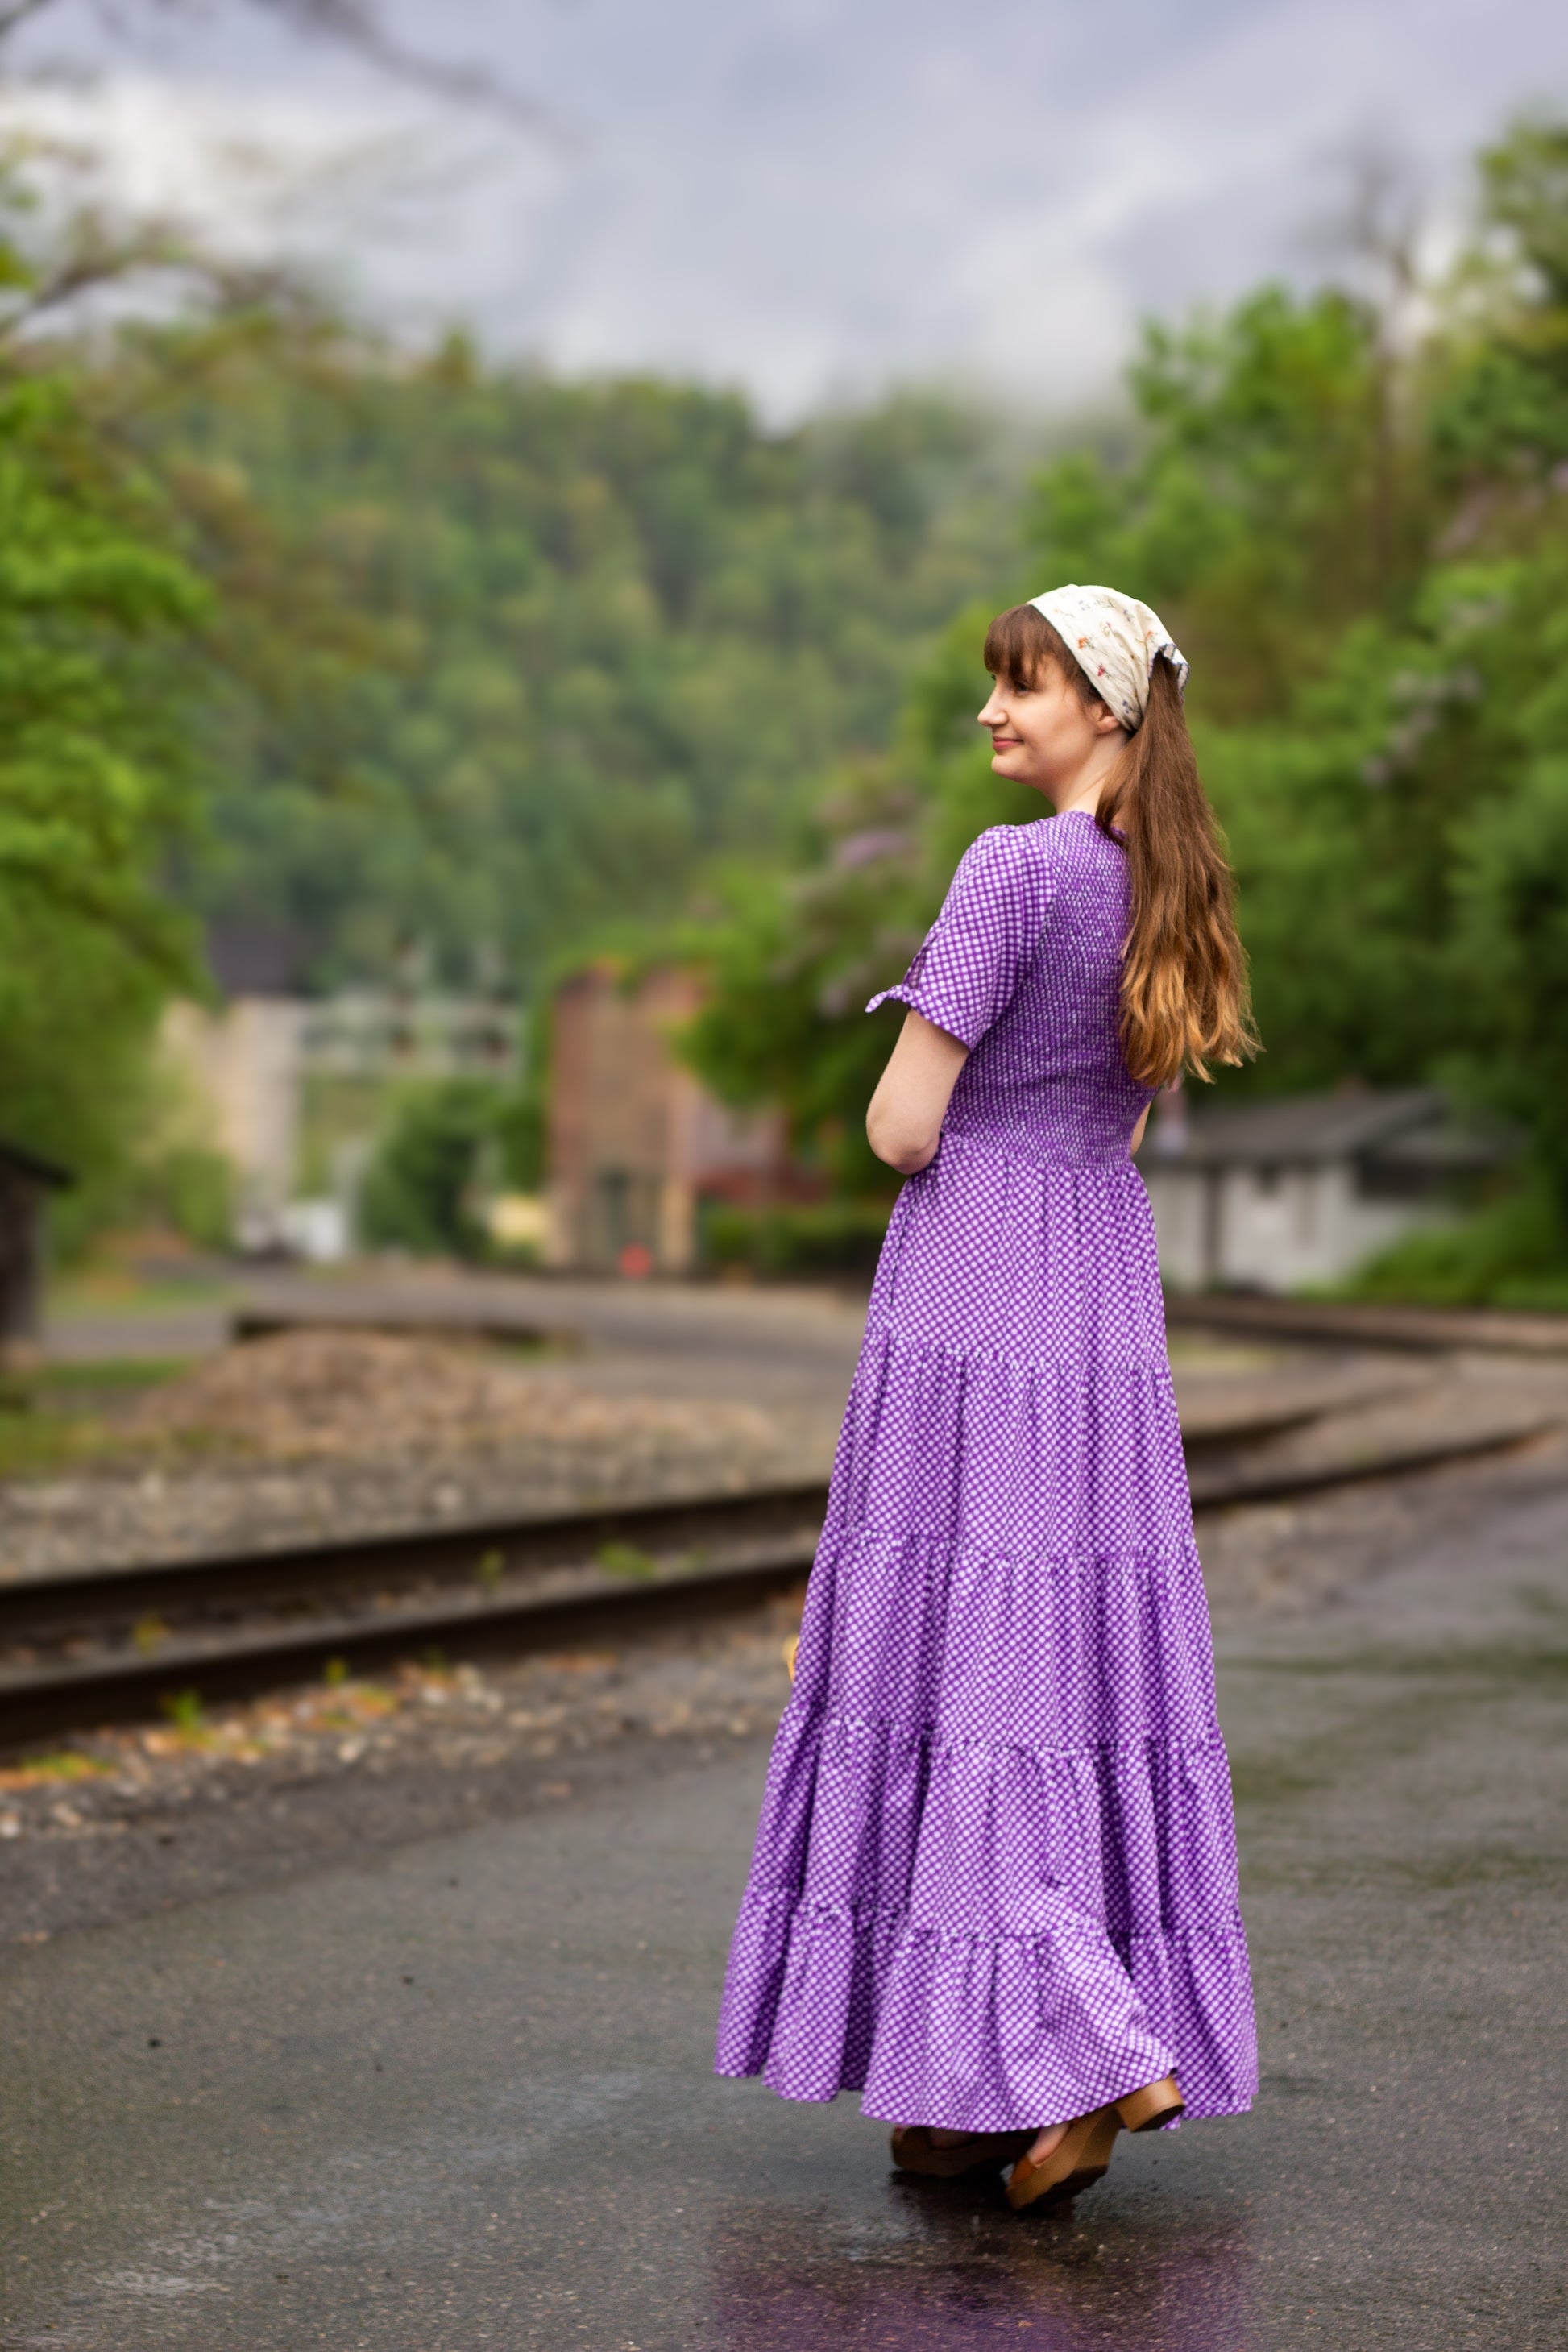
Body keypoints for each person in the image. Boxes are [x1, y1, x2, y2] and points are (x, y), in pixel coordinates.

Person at [714, 583, 1259, 2213]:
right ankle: (957, 2089)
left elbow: (899, 1125)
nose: (990, 713)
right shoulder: (1168, 889)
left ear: (1099, 704)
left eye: (1018, 686)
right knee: (1060, 1651)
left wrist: (924, 1079)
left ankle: (1090, 2044)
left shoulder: (1003, 872)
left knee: (955, 1647)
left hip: (973, 1282)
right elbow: (1132, 1121)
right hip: (1095, 1281)